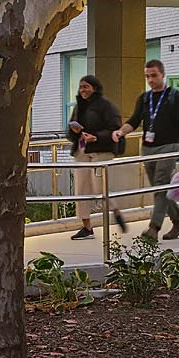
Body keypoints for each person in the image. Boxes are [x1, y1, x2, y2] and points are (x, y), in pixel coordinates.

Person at [115, 58, 179, 241]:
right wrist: (121, 132)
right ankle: (178, 222)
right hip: (148, 148)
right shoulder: (144, 98)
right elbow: (134, 121)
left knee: (160, 187)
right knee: (161, 189)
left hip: (169, 147)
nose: (151, 80)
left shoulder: (174, 97)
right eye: (147, 76)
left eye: (154, 76)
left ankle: (154, 228)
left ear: (162, 75)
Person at [64, 75, 127, 240]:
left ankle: (115, 211)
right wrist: (76, 132)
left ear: (95, 88)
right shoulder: (79, 107)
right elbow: (69, 131)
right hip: (82, 151)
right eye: (81, 87)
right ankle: (86, 227)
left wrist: (96, 137)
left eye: (86, 87)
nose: (83, 90)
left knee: (101, 187)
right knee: (82, 189)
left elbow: (115, 130)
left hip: (101, 150)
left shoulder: (107, 107)